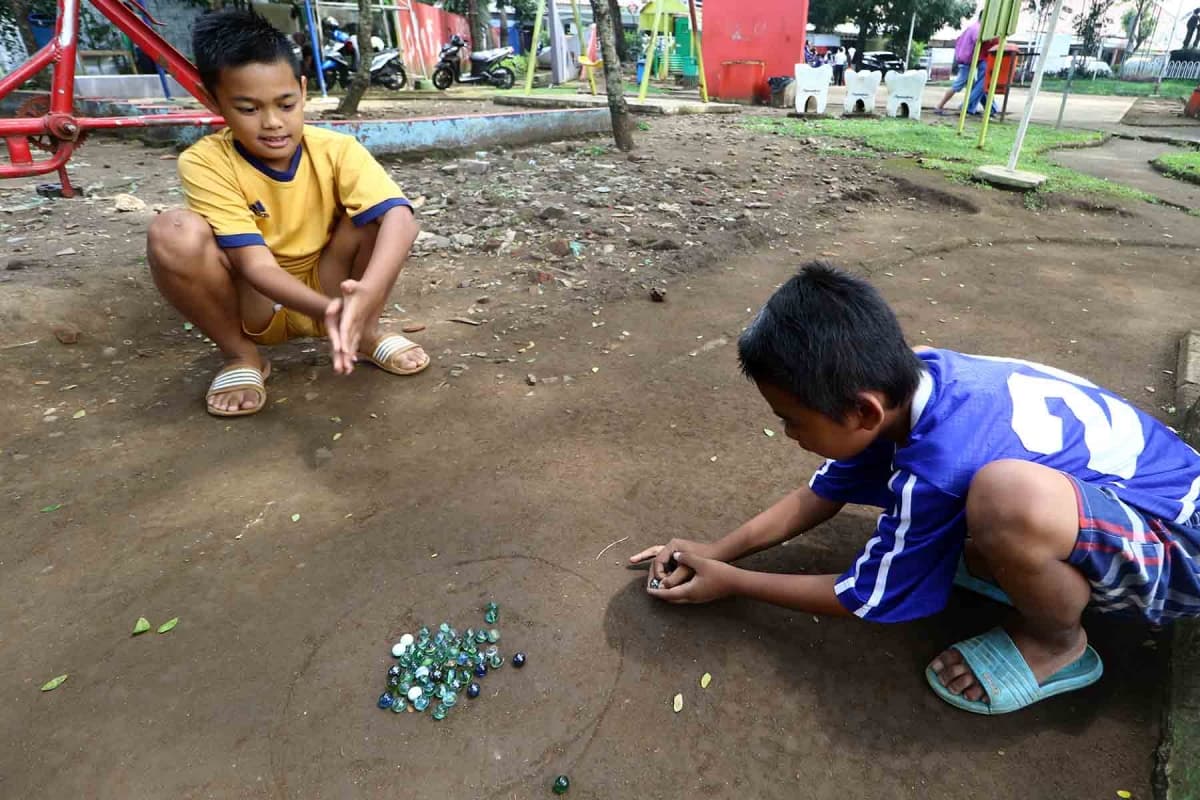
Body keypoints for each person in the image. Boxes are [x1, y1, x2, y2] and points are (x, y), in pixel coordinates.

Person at [631, 262, 1200, 714]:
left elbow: (862, 598)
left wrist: (733, 582)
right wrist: (719, 547)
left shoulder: (938, 459)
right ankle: (1034, 562)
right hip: (1141, 500)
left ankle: (1058, 644)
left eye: (792, 420)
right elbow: (821, 494)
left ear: (861, 412)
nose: (787, 433)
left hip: (1180, 550)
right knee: (994, 507)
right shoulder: (921, 376)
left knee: (1006, 500)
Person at [146, 10, 428, 417]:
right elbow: (255, 265)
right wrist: (328, 312)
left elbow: (403, 221)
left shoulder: (337, 149)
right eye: (248, 108)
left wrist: (362, 299)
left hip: (333, 284)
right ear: (213, 101)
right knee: (173, 231)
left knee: (380, 216)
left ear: (302, 89)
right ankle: (242, 357)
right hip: (258, 299)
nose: (273, 123)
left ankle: (364, 333)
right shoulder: (205, 162)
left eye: (286, 103)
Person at [935, 15, 996, 117]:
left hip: (964, 59)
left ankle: (989, 109)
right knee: (958, 85)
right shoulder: (978, 28)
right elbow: (978, 40)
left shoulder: (971, 28)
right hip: (968, 61)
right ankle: (940, 106)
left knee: (976, 87)